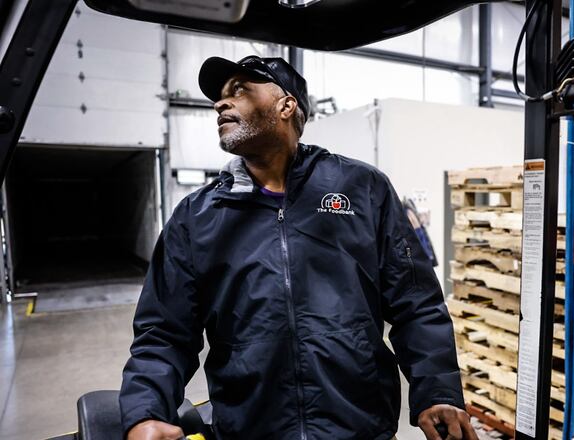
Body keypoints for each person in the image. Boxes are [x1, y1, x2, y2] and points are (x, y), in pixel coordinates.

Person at [120, 55, 478, 440]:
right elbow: (164, 332)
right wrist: (146, 413)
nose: (220, 103)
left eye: (238, 91)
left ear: (286, 105)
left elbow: (416, 303)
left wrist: (437, 392)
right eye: (220, 96)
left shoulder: (362, 187)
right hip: (251, 430)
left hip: (360, 426)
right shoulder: (197, 216)